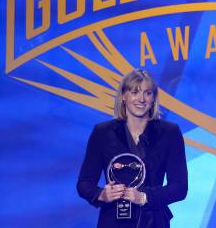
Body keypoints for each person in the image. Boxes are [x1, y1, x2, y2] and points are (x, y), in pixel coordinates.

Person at [77, 69, 188, 227]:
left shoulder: (170, 133)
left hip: (153, 221)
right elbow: (84, 183)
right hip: (113, 221)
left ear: (153, 99)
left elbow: (179, 187)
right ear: (123, 96)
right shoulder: (102, 133)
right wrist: (101, 194)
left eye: (147, 93)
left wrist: (143, 197)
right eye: (135, 92)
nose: (141, 99)